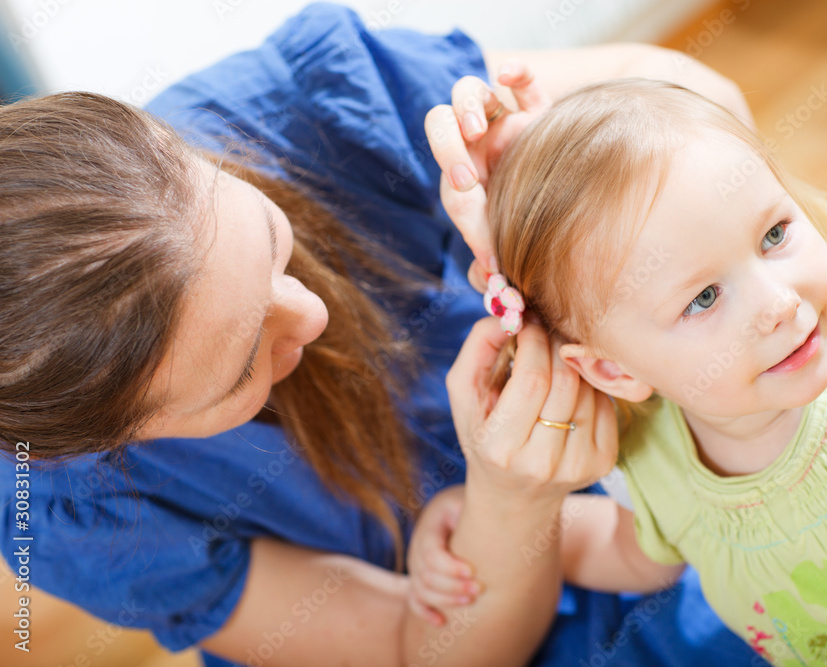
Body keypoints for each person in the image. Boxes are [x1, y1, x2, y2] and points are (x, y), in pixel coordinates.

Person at [0, 5, 763, 667]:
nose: (313, 313)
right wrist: (511, 510)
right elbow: (423, 647)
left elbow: (708, 100)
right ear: (108, 445)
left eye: (273, 239)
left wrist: (561, 164)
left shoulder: (304, 103)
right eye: (238, 371)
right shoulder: (69, 511)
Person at [414, 77, 827, 666]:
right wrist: (471, 518)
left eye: (774, 235)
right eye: (703, 299)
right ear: (611, 370)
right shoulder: (657, 463)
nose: (778, 304)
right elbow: (627, 554)